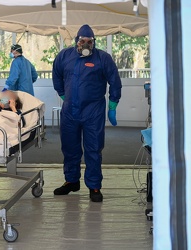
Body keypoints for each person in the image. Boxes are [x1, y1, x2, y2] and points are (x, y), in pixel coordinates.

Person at [52, 24, 122, 202]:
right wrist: (61, 93)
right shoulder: (64, 56)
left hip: (93, 112)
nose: (85, 44)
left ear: (94, 42)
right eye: (82, 41)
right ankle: (71, 181)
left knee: (93, 148)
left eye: (89, 41)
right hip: (70, 111)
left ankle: (94, 186)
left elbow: (114, 80)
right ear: (77, 41)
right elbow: (56, 74)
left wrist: (113, 105)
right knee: (69, 148)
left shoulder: (103, 58)